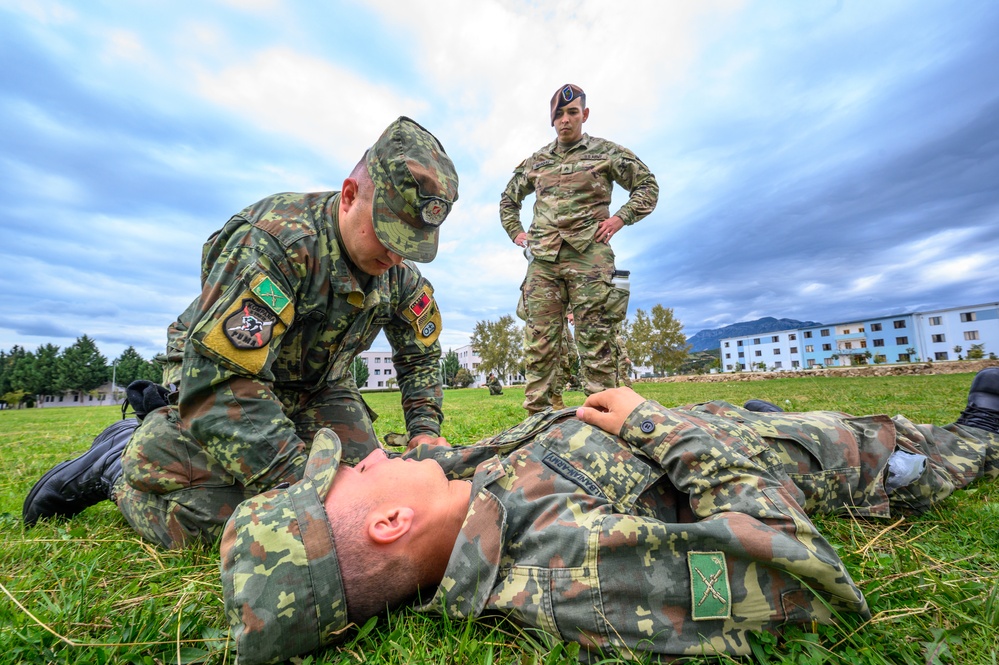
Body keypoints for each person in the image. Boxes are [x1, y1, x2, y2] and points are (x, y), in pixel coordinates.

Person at [220, 369, 999, 664]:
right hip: (834, 456)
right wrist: (657, 424)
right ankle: (978, 434)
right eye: (345, 477)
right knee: (954, 444)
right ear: (388, 522)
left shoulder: (454, 494)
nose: (361, 456)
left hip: (739, 420)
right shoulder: (567, 570)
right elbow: (812, 584)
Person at [22, 117, 460, 549]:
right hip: (219, 373)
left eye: (412, 241)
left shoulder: (398, 275)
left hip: (318, 386)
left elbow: (419, 353)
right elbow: (220, 379)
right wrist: (305, 487)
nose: (397, 252)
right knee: (282, 520)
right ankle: (117, 464)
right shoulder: (275, 244)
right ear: (349, 196)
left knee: (369, 499)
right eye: (388, 232)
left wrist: (424, 429)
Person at [500, 83, 658, 413]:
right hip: (543, 261)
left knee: (596, 341)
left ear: (584, 115)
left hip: (590, 256)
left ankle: (607, 421)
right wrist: (516, 232)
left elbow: (647, 186)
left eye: (572, 112)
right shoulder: (537, 160)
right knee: (540, 345)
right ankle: (541, 423)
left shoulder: (606, 152)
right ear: (552, 120)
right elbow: (508, 199)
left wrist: (620, 219)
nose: (565, 120)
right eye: (559, 114)